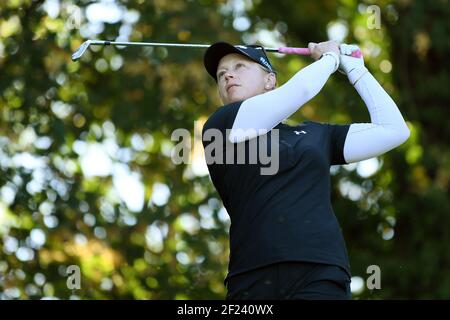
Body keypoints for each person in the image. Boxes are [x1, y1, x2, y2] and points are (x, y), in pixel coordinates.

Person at [201, 41, 410, 299]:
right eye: (222, 74)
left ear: (270, 80)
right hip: (251, 278)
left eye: (239, 66)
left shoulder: (315, 134)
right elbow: (299, 90)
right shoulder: (220, 127)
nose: (228, 75)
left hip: (320, 272)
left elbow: (394, 130)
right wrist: (330, 59)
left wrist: (355, 69)